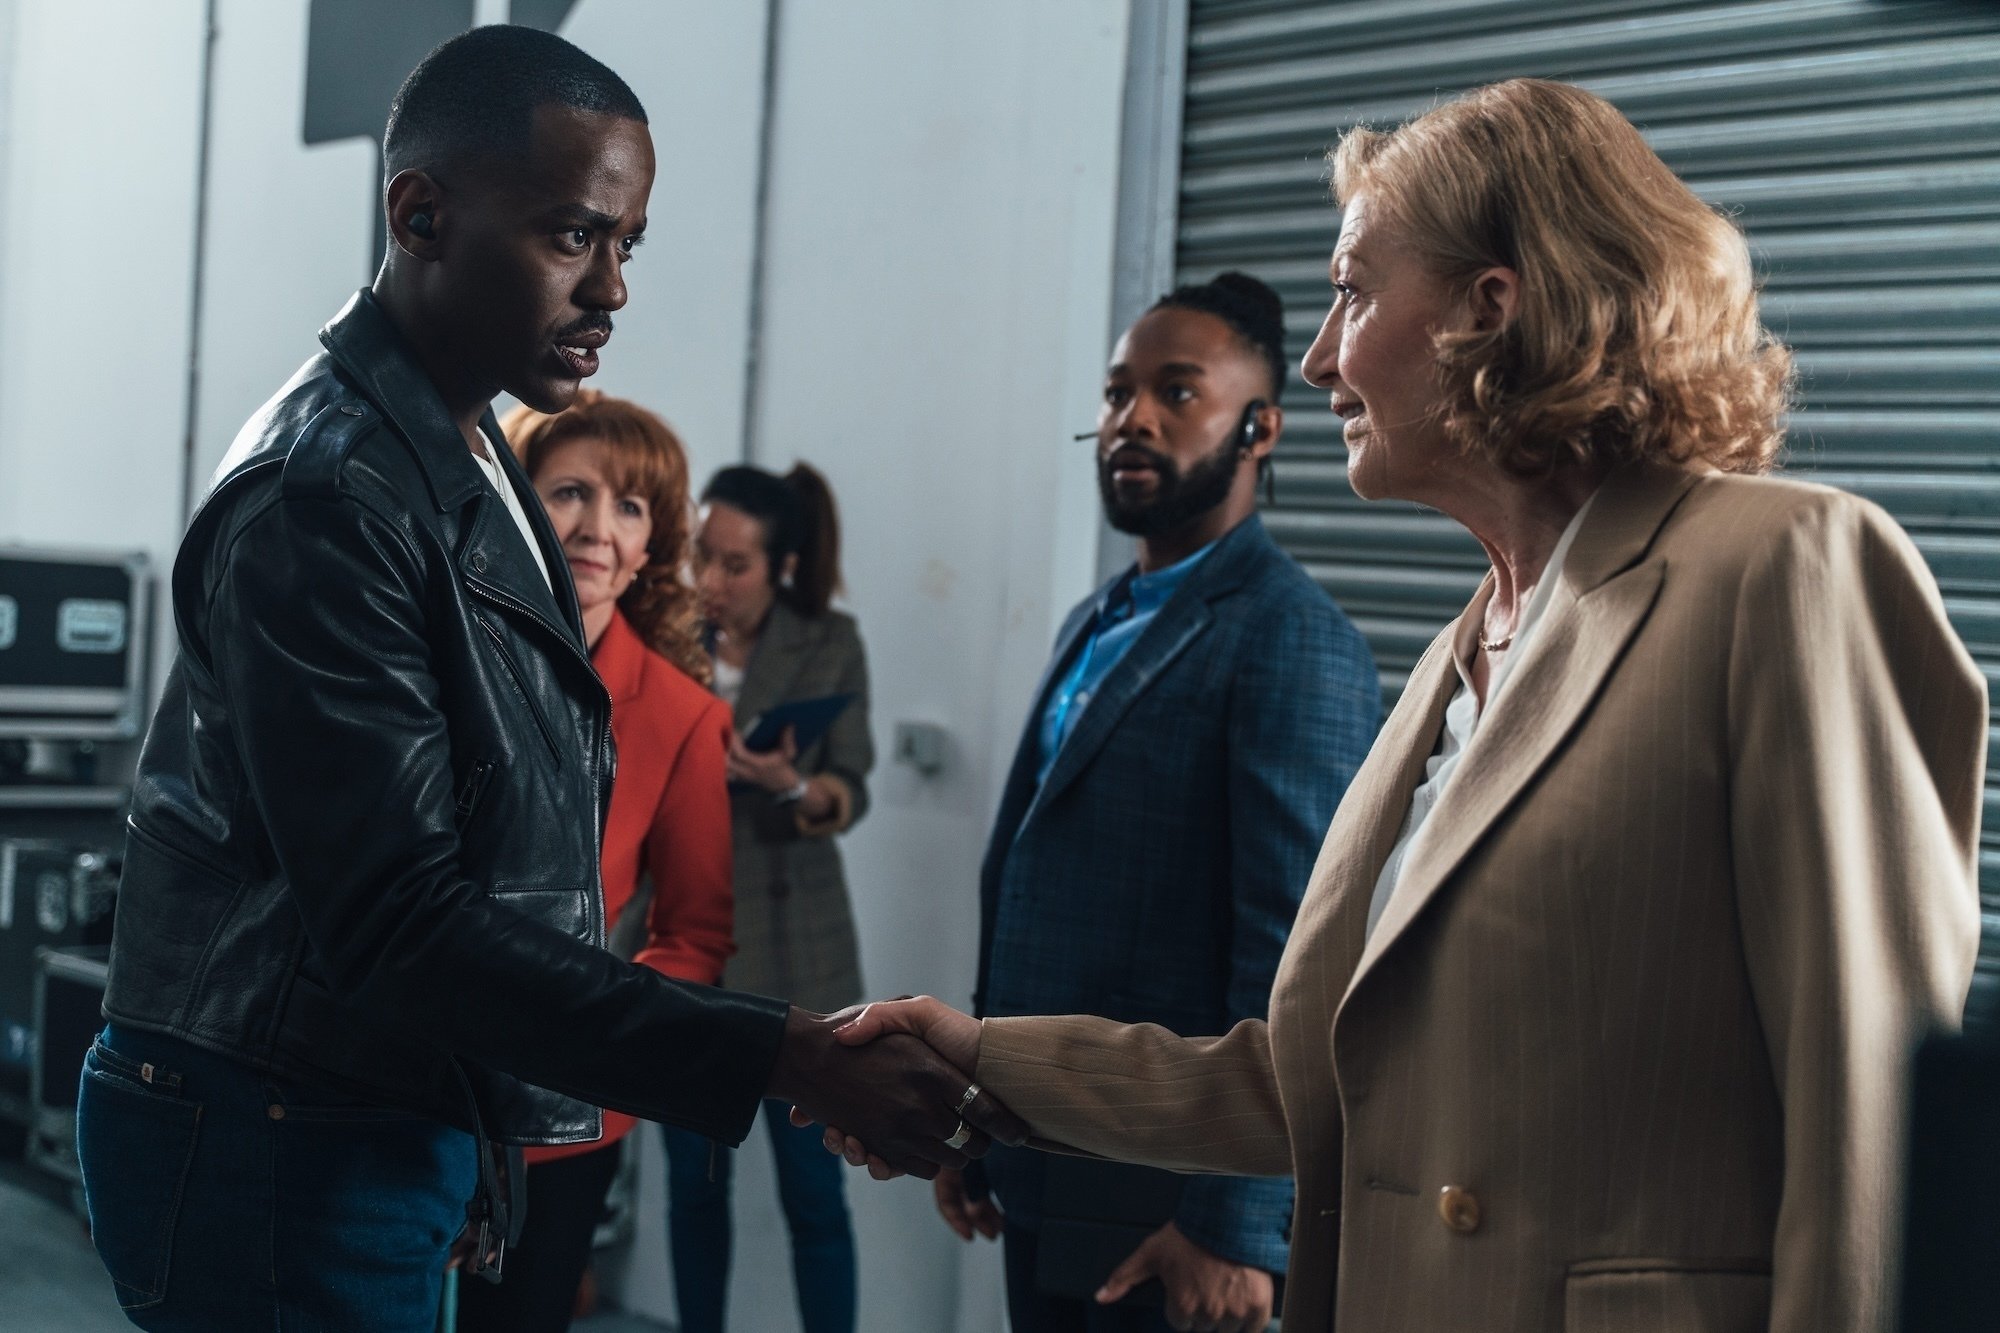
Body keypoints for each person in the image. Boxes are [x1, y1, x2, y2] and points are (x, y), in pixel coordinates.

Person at [823, 79, 1985, 1333]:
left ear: (1493, 308)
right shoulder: (1456, 654)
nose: (1320, 355)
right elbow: (1316, 1078)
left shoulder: (1782, 569)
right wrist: (981, 1060)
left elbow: (1867, 1115)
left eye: (1353, 291)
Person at [76, 27, 1019, 1332]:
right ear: (421, 213)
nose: (614, 289)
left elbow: (495, 845)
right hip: (271, 1119)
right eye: (576, 236)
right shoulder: (332, 487)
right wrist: (785, 1054)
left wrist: (490, 1124)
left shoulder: (464, 452)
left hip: (363, 1105)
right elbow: (398, 919)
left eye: (628, 244)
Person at [945, 272, 1377, 1333]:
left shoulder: (1290, 638)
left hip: (1170, 1207)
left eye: (1176, 392)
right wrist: (974, 1114)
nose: (1128, 418)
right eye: (1114, 391)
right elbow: (1034, 889)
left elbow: (1297, 953)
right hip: (1043, 1168)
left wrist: (1239, 1221)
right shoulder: (1096, 619)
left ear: (1260, 428)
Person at [451, 391, 734, 1332]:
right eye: (569, 491)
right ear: (518, 500)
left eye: (630, 506)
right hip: (397, 1078)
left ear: (653, 543)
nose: (595, 527)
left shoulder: (687, 716)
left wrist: (604, 1047)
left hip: (562, 1114)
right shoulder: (439, 643)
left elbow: (693, 931)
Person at [660, 463, 872, 1333]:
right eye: (701, 557)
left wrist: (792, 784)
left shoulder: (828, 638)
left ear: (779, 566)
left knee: (813, 1189)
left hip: (797, 941)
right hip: (684, 932)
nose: (711, 582)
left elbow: (850, 785)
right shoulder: (666, 634)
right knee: (692, 1183)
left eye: (735, 564)